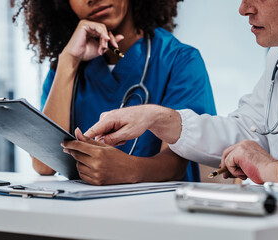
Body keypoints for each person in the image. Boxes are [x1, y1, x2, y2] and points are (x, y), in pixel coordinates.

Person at [76, 0, 278, 184]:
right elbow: (250, 132)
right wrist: (156, 118)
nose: (243, 8)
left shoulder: (177, 58)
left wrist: (270, 170)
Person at [14, 0, 216, 185]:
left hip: (159, 212)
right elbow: (44, 165)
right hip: (83, 212)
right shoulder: (66, 67)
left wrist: (129, 169)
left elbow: (176, 165)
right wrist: (68, 60)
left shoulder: (180, 60)